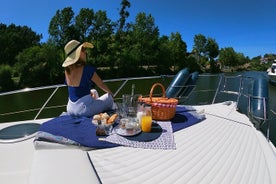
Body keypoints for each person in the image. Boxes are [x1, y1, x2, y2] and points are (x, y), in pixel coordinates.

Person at [62, 39, 114, 117]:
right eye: (83, 49)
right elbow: (101, 84)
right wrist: (111, 94)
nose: (85, 52)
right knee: (109, 97)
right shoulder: (86, 69)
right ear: (78, 53)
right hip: (84, 110)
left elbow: (76, 90)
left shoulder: (67, 70)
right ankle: (109, 110)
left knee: (93, 91)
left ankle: (94, 104)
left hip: (70, 109)